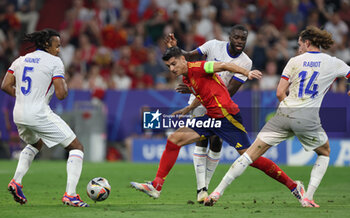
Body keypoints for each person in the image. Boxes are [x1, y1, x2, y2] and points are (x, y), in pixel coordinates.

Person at [130, 46, 304, 205]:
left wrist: (247, 72)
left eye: (174, 64)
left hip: (228, 118)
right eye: (169, 66)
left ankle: (293, 186)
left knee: (252, 159)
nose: (172, 69)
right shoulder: (187, 77)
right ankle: (156, 185)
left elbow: (224, 66)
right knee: (174, 140)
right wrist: (188, 108)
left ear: (183, 59)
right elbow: (204, 93)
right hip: (211, 118)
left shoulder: (199, 67)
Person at [204, 26, 350, 208]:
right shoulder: (333, 62)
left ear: (307, 42)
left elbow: (280, 92)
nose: (299, 49)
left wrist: (288, 109)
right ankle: (308, 197)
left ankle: (217, 192)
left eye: (300, 45)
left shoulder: (294, 61)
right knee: (324, 152)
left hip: (283, 114)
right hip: (307, 118)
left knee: (249, 155)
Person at [1, 29, 89, 207]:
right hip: (38, 113)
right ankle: (70, 195)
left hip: (19, 113)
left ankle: (16, 181)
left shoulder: (20, 59)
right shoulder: (55, 62)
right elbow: (61, 94)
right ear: (47, 44)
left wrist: (23, 97)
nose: (59, 50)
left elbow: (5, 85)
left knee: (35, 143)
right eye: (57, 46)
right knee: (76, 147)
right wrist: (64, 82)